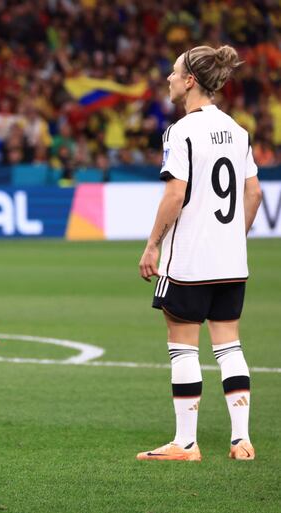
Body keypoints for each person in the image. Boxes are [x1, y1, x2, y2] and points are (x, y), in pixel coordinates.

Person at [137, 45, 263, 461]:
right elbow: (254, 192)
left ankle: (186, 443)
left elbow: (175, 195)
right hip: (230, 261)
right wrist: (234, 237)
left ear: (190, 80)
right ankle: (241, 440)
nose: (169, 79)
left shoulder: (181, 131)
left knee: (183, 345)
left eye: (174, 72)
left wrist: (152, 243)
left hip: (190, 257)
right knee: (229, 344)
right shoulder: (238, 130)